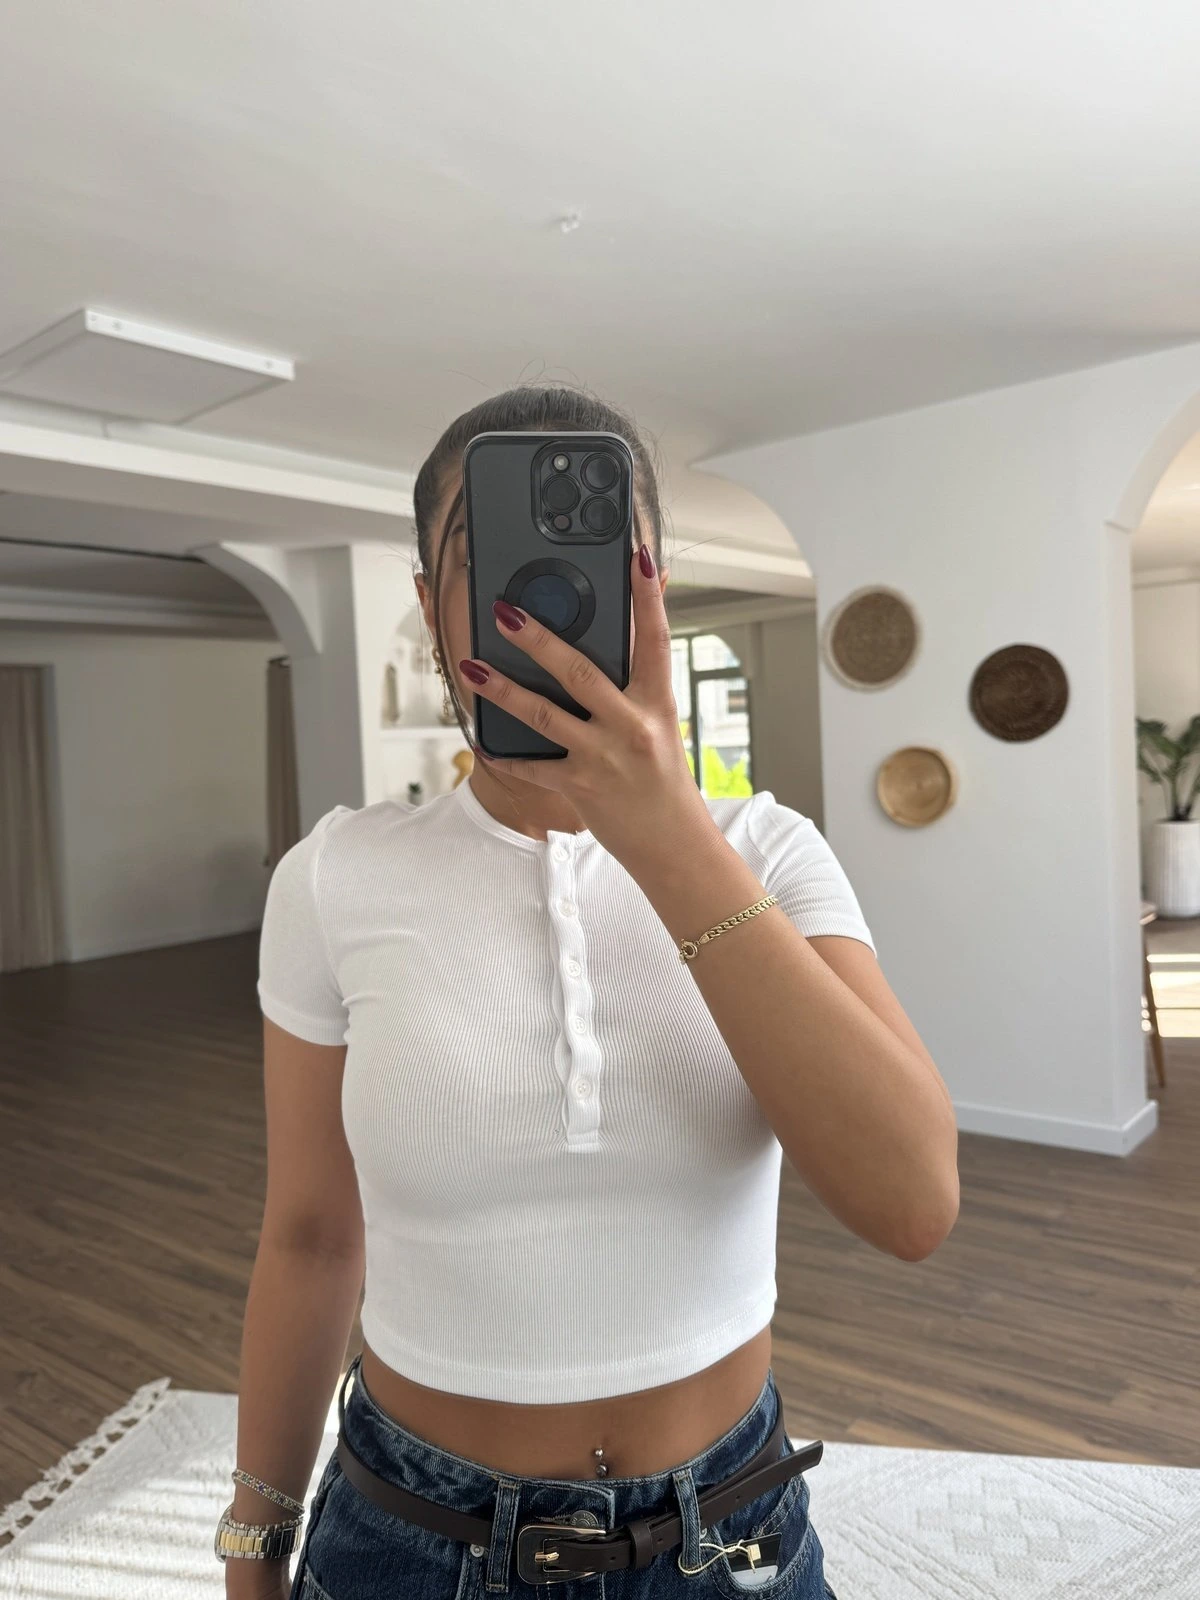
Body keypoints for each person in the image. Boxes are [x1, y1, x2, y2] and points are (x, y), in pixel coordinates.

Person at [220, 385, 959, 1600]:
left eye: (599, 557)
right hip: (411, 1538)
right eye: (490, 555)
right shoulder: (335, 877)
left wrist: (664, 831)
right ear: (430, 602)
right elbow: (308, 1236)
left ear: (653, 587)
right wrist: (255, 1541)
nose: (553, 595)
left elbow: (913, 1201)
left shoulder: (767, 852)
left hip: (731, 1536)